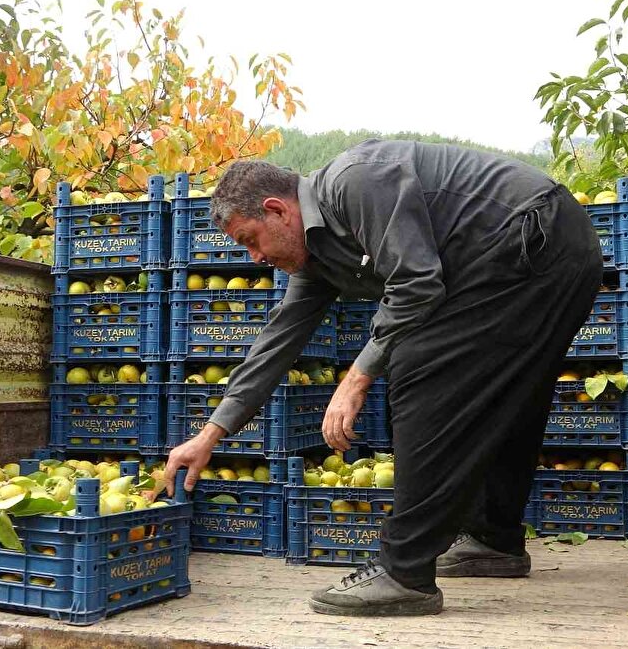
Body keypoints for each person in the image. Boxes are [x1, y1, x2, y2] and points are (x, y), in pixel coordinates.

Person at [163, 139, 602, 616]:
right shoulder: (319, 256)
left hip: (534, 238)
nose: (254, 257)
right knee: (508, 397)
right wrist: (211, 434)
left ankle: (404, 573)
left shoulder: (355, 181)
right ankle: (494, 541)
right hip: (542, 250)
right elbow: (278, 341)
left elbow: (416, 283)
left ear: (276, 210)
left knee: (418, 367)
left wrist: (356, 378)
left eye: (251, 239)